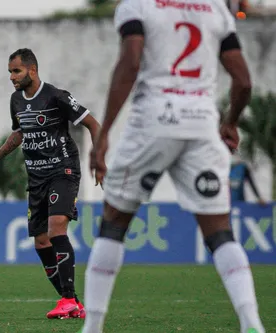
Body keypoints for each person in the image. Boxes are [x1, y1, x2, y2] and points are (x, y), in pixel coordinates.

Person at [80, 1, 265, 332]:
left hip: (153, 120)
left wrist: (105, 131)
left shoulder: (138, 5)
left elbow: (131, 61)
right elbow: (244, 81)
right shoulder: (215, 9)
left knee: (114, 224)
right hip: (201, 124)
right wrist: (230, 122)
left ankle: (92, 327)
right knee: (220, 233)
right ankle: (252, 322)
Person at [0, 48, 104, 319]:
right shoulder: (16, 101)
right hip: (37, 177)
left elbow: (93, 124)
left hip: (62, 171)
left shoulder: (56, 96)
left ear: (32, 70)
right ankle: (73, 302)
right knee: (41, 242)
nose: (11, 77)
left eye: (16, 71)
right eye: (9, 72)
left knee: (55, 230)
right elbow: (18, 134)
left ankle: (66, 300)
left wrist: (99, 160)